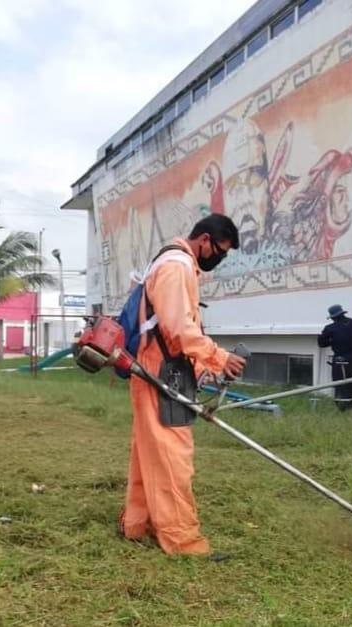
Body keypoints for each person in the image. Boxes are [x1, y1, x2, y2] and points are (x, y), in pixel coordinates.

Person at [119, 214, 247, 557]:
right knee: (172, 456)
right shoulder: (176, 267)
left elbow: (174, 328)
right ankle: (182, 541)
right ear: (203, 240)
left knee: (149, 449)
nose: (218, 259)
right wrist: (218, 358)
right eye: (219, 250)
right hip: (160, 371)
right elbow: (179, 329)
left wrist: (205, 366)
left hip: (156, 367)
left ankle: (138, 524)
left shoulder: (173, 262)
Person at [317, 304, 352, 411]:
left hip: (340, 360)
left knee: (340, 384)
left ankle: (343, 407)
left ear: (333, 317)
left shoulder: (330, 328)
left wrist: (332, 340)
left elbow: (321, 343)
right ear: (343, 313)